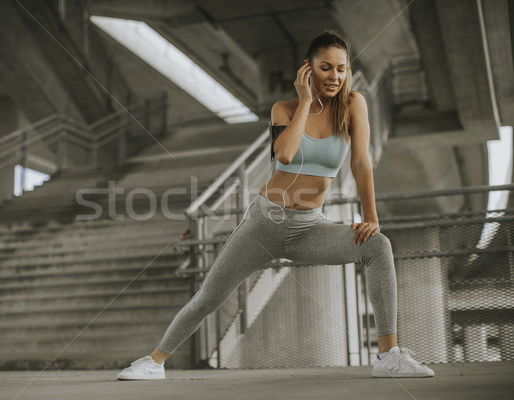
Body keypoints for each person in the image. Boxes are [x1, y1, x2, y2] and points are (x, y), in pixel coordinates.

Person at [117, 30, 435, 380]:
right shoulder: (283, 109)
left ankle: (388, 355)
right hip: (264, 226)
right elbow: (284, 154)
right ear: (308, 69)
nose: (335, 76)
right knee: (209, 297)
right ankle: (154, 362)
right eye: (326, 67)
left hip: (310, 228)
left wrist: (370, 218)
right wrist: (303, 102)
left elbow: (361, 163)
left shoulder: (353, 104)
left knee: (378, 246)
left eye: (341, 69)